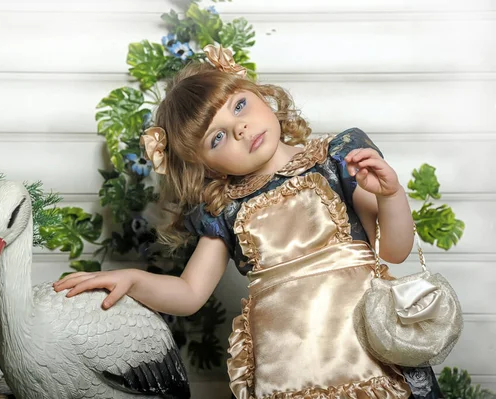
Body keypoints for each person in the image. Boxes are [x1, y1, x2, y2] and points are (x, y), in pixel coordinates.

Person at [53, 45, 442, 398]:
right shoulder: (224, 207)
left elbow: (393, 249)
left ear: (257, 92)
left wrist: (390, 195)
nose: (239, 128)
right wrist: (132, 279)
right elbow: (189, 294)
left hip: (367, 353)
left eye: (238, 106)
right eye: (216, 138)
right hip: (290, 371)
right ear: (203, 165)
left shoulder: (337, 159)